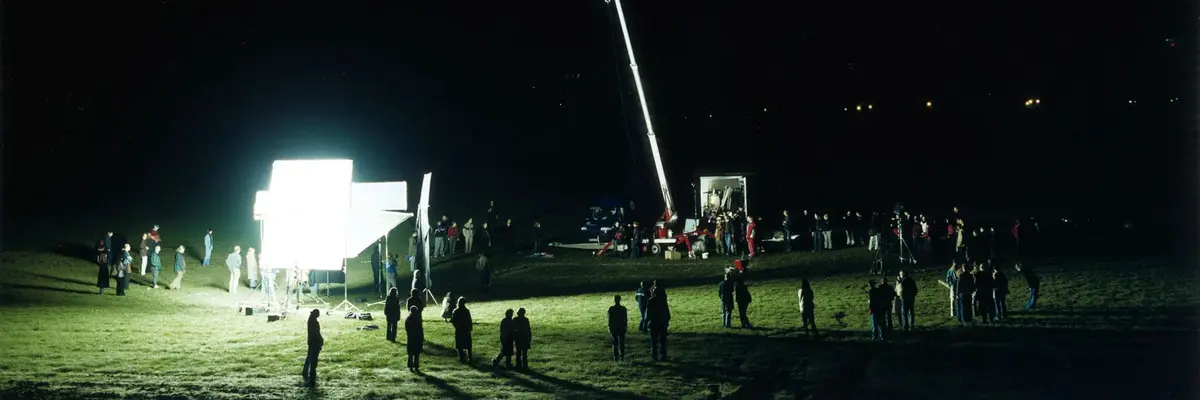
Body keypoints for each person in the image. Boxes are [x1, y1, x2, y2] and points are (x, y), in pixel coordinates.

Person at [647, 286, 671, 361]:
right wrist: (666, 322)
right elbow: (667, 313)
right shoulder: (663, 301)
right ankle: (663, 356)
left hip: (653, 324)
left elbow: (648, 314)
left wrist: (648, 321)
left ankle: (654, 356)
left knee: (653, 342)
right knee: (662, 341)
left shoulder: (650, 301)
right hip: (662, 323)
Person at [303, 309, 324, 386]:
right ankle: (312, 373)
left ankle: (305, 372)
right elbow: (316, 332)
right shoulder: (315, 322)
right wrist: (321, 339)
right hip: (315, 342)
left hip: (311, 341)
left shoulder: (310, 322)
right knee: (314, 359)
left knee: (309, 357)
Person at [451, 297, 473, 363]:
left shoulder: (456, 311)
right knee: (468, 345)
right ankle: (469, 357)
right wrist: (470, 327)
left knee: (459, 345)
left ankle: (462, 358)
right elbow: (469, 320)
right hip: (465, 329)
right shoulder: (466, 311)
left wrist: (456, 326)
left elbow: (453, 320)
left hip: (460, 329)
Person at [608, 295, 628, 362]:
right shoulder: (623, 309)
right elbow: (625, 319)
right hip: (621, 327)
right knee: (621, 343)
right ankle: (622, 357)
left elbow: (610, 319)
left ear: (614, 300)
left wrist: (610, 327)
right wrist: (625, 326)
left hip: (614, 327)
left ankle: (615, 358)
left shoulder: (611, 309)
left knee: (615, 343)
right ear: (620, 300)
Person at [405, 306, 424, 372]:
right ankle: (416, 366)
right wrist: (422, 337)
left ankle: (410, 366)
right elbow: (420, 329)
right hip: (417, 337)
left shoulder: (408, 319)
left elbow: (407, 328)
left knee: (410, 353)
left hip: (410, 337)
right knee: (416, 353)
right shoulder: (418, 319)